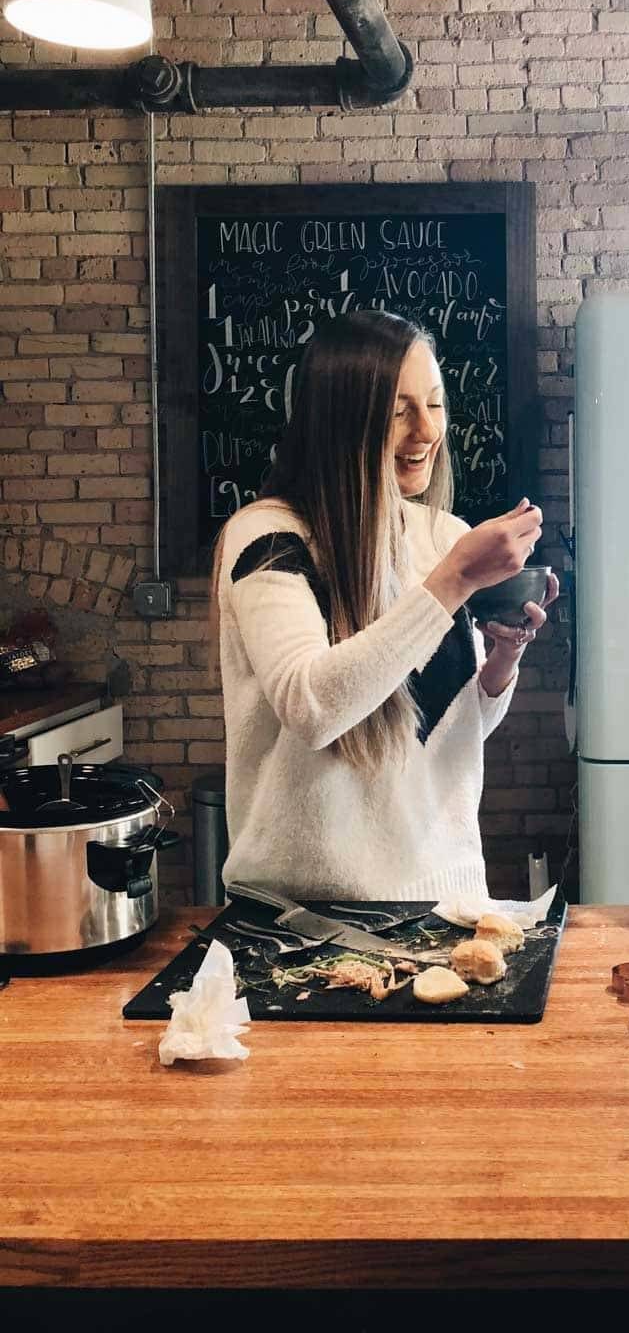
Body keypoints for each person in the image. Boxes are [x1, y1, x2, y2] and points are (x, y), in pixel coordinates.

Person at [212, 309, 557, 903]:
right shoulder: (269, 538)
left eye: (435, 403)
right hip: (303, 917)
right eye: (399, 411)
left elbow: (453, 731)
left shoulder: (444, 534)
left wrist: (500, 665)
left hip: (446, 896)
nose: (426, 430)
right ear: (343, 420)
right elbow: (312, 705)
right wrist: (452, 582)